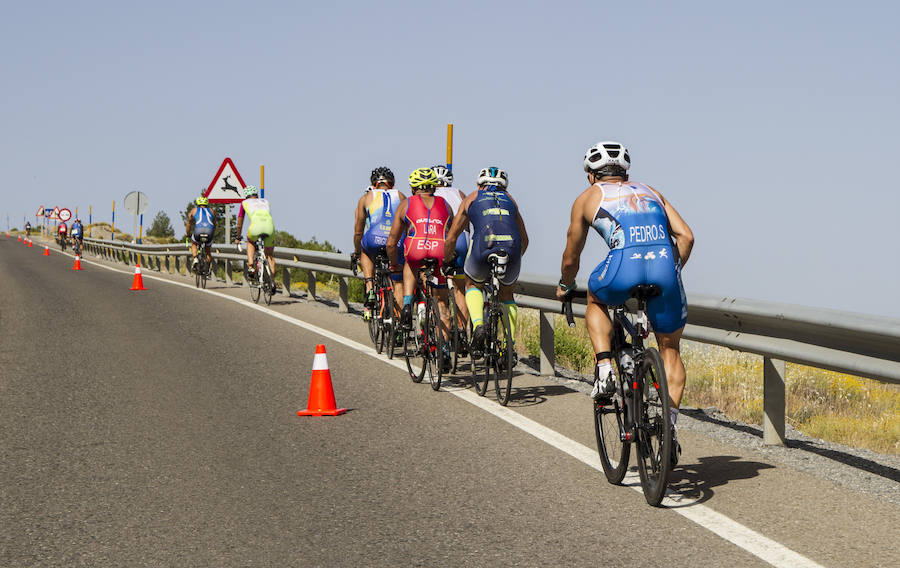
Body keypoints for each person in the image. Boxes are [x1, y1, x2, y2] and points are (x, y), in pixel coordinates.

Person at [556, 141, 694, 465]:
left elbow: (571, 257)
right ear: (627, 173)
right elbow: (686, 236)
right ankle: (669, 427)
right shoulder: (651, 191)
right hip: (665, 268)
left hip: (622, 267)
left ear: (591, 176)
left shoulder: (587, 198)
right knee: (670, 350)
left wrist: (565, 285)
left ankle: (605, 368)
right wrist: (670, 270)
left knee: (594, 296)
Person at [444, 167, 528, 362]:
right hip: (512, 248)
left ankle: (479, 325)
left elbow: (451, 238)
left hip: (484, 246)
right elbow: (525, 239)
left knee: (472, 284)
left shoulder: (472, 198)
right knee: (508, 295)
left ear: (479, 185)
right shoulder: (511, 200)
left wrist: (447, 260)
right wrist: (515, 259)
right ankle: (509, 346)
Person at [387, 167, 453, 367]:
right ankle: (445, 351)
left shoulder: (406, 203)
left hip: (415, 249)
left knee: (410, 264)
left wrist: (393, 263)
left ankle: (407, 304)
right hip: (440, 250)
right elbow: (451, 233)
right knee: (441, 302)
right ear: (434, 187)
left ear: (413, 188)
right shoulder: (446, 204)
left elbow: (392, 242)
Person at [351, 167, 405, 320]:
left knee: (365, 250)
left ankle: (369, 289)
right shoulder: (400, 195)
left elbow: (358, 231)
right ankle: (399, 326)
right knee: (398, 282)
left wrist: (357, 251)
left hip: (374, 238)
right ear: (392, 185)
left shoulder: (366, 197)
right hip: (395, 241)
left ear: (373, 184)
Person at [432, 165, 470, 340]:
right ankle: (462, 334)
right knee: (461, 290)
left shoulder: (431, 197)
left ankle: (444, 340)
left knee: (438, 293)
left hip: (441, 241)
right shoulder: (459, 193)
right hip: (463, 240)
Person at [233, 185, 275, 281]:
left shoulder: (244, 203)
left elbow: (239, 224)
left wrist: (238, 237)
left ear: (246, 196)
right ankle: (272, 282)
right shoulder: (265, 201)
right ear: (256, 195)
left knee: (250, 241)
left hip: (255, 228)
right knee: (270, 255)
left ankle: (251, 266)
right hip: (270, 228)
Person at [185, 196, 216, 273]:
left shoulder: (194, 210)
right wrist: (212, 233)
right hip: (209, 231)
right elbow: (215, 224)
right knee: (208, 250)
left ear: (198, 204)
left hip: (198, 230)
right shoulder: (211, 211)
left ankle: (195, 259)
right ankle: (208, 267)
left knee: (194, 243)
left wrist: (188, 234)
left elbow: (188, 224)